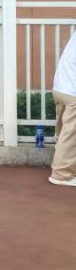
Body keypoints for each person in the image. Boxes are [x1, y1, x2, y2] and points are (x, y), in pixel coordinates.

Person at [49, 31, 76, 186]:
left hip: (62, 88)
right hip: (72, 91)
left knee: (65, 133)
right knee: (71, 135)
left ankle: (65, 168)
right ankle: (61, 174)